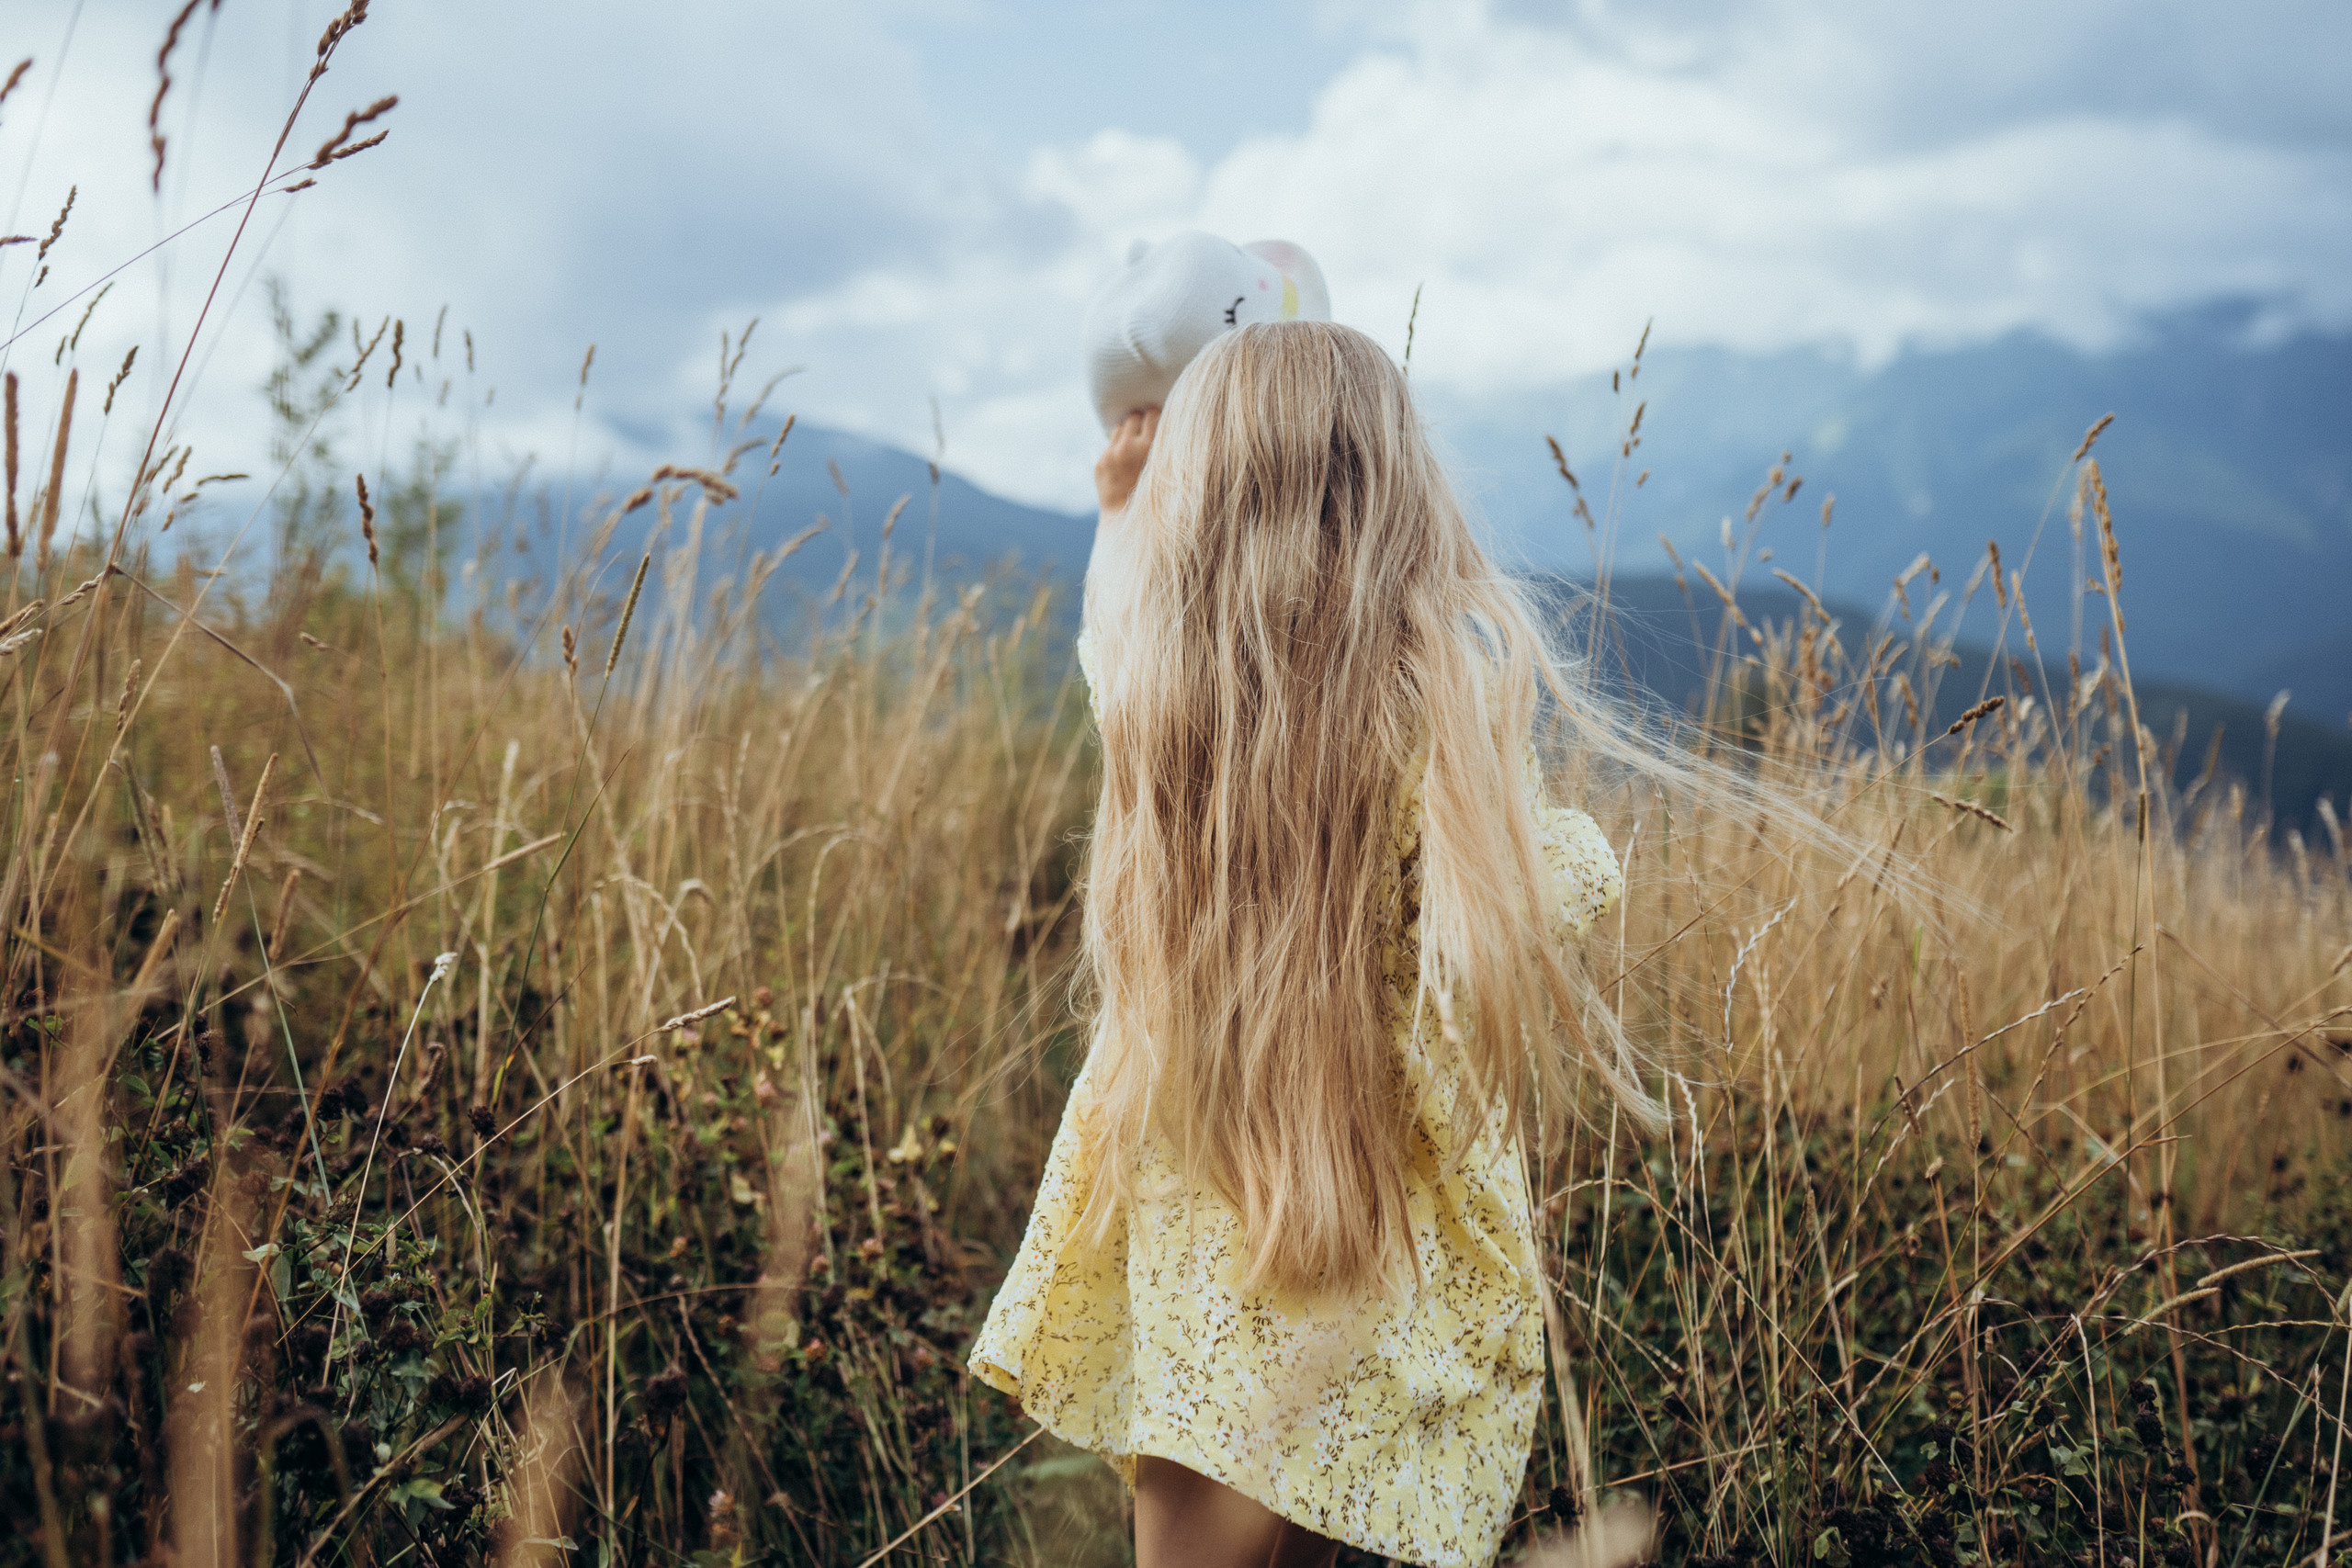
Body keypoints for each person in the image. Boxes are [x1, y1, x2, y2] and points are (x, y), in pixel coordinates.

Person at [969, 321, 1658, 1568]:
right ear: (1396, 487)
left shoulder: (1169, 710)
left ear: (1203, 500)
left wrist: (1119, 519)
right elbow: (1545, 892)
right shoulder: (1434, 711)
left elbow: (1106, 650)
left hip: (1198, 1265)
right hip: (1366, 1242)